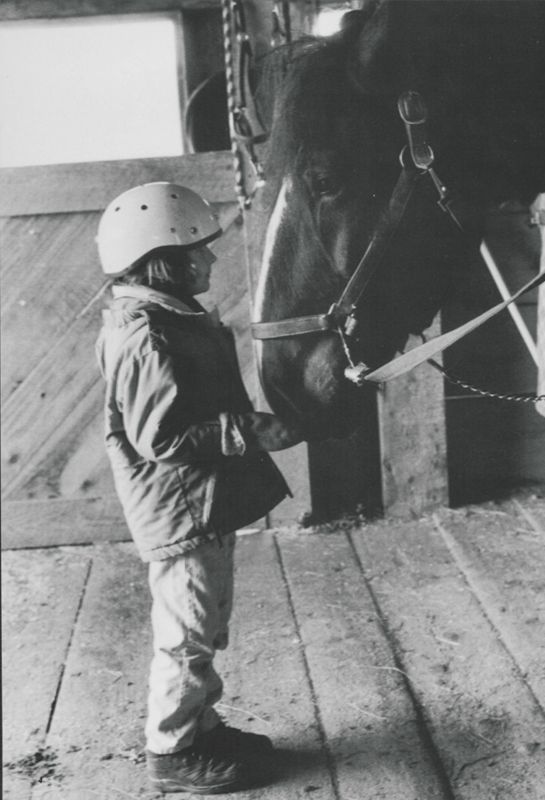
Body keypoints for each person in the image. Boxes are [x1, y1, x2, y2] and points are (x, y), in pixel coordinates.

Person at [95, 181, 302, 794]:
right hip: (181, 512)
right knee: (185, 637)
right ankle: (173, 751)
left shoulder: (167, 316)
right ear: (162, 260)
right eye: (198, 251)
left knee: (205, 625)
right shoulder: (146, 335)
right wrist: (255, 430)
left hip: (200, 503)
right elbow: (161, 438)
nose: (210, 261)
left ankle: (200, 729)